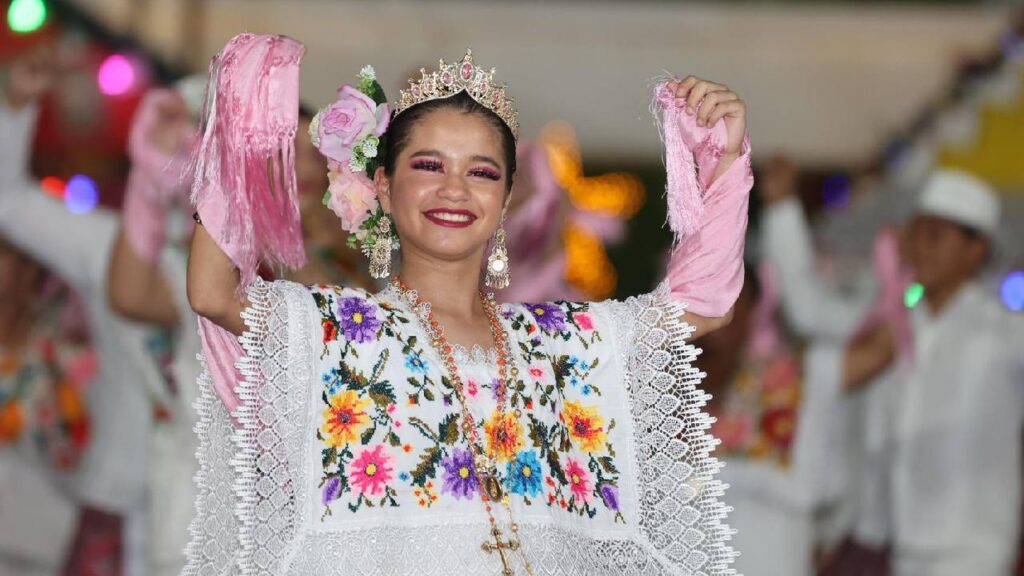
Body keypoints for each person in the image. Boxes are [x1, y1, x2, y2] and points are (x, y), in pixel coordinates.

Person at [183, 34, 751, 575]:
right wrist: (240, 129)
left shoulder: (556, 343)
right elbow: (212, 293)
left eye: (481, 172)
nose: (454, 189)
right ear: (383, 186)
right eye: (428, 165)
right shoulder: (342, 333)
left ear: (505, 201)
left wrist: (723, 159)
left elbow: (703, 305)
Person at [106, 85, 372, 576]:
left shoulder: (362, 272)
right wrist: (147, 182)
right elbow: (129, 296)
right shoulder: (214, 264)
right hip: (202, 511)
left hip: (310, 518)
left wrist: (286, 234)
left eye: (311, 153)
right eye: (280, 153)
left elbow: (341, 337)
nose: (298, 167)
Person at [0, 42, 172, 576]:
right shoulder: (110, 245)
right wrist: (15, 107)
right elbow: (8, 202)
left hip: (214, 514)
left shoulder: (277, 263)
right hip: (112, 502)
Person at [883, 169, 1024, 576]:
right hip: (905, 537)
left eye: (937, 235)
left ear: (976, 249)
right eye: (917, 233)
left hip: (972, 545)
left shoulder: (1002, 331)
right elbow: (814, 314)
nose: (920, 247)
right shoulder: (899, 324)